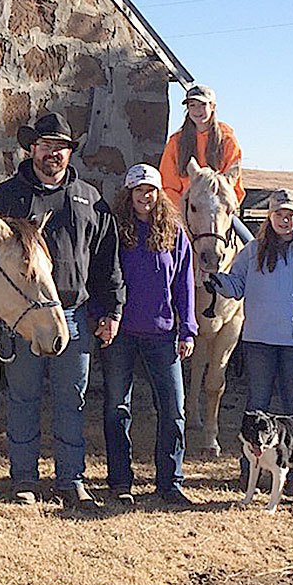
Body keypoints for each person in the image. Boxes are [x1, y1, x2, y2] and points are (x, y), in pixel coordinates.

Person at [0, 112, 124, 510]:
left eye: (60, 148)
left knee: (71, 401)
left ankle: (71, 479)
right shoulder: (5, 198)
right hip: (24, 318)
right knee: (24, 398)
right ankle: (24, 478)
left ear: (68, 153)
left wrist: (111, 310)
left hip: (73, 314)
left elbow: (106, 261)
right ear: (32, 150)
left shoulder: (89, 199)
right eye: (46, 146)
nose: (53, 154)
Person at [208, 188, 293, 498]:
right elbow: (236, 285)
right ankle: (250, 469)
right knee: (257, 405)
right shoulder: (252, 251)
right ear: (270, 216)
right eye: (279, 213)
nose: (284, 219)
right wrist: (215, 279)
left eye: (290, 214)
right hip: (259, 340)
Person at [99, 164, 198, 508]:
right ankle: (120, 480)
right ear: (128, 194)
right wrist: (104, 317)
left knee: (173, 408)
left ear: (160, 194)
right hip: (121, 333)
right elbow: (103, 277)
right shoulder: (114, 229)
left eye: (151, 190)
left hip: (162, 334)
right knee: (116, 406)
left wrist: (188, 328)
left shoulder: (174, 231)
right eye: (139, 190)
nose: (145, 196)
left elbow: (184, 284)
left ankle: (170, 481)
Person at [158, 84, 252, 242]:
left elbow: (234, 184)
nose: (197, 110)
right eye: (192, 105)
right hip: (184, 213)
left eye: (202, 104)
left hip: (218, 212)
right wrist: (183, 213)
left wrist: (223, 209)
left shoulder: (227, 140)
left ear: (213, 106)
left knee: (250, 246)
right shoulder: (177, 142)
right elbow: (167, 184)